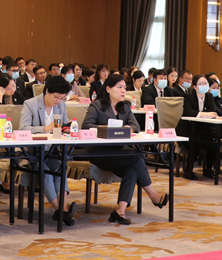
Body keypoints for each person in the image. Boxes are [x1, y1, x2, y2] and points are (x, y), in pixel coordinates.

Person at [82, 74, 168, 224]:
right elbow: (86, 126)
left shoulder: (125, 106)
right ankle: (153, 195)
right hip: (100, 152)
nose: (123, 90)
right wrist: (107, 129)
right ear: (108, 89)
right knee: (136, 157)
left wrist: (127, 128)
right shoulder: (97, 105)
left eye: (124, 87)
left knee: (131, 170)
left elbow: (136, 126)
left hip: (119, 152)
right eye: (119, 87)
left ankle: (120, 211)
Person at [20, 76, 77, 225]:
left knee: (60, 167)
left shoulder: (61, 105)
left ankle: (62, 211)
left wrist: (67, 127)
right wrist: (46, 128)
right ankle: (61, 210)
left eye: (62, 98)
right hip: (33, 153)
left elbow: (63, 125)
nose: (59, 100)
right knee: (45, 171)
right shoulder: (30, 104)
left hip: (52, 151)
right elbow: (24, 129)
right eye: (56, 96)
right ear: (47, 91)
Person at [177, 74, 219, 179]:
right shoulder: (188, 97)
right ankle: (188, 171)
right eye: (201, 84)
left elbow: (213, 112)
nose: (204, 85)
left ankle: (208, 170)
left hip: (203, 130)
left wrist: (205, 114)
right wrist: (203, 114)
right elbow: (188, 112)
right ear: (195, 87)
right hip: (187, 130)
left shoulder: (209, 96)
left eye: (205, 83)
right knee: (196, 143)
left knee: (214, 145)